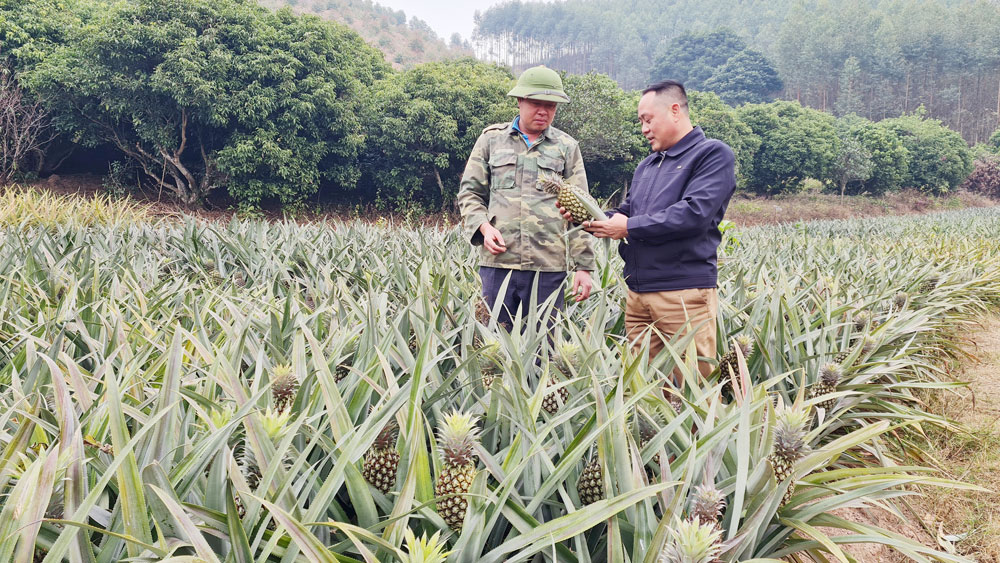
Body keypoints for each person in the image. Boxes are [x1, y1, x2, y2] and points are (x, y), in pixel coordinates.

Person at [568, 79, 736, 383]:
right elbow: (627, 212)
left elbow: (694, 213)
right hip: (638, 292)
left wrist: (627, 226)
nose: (644, 129)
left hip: (682, 293)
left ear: (675, 110)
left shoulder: (711, 154)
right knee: (644, 387)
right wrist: (588, 218)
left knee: (692, 386)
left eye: (648, 120)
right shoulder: (647, 165)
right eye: (640, 122)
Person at [457, 65, 595, 330]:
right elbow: (470, 193)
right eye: (536, 103)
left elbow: (581, 211)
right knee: (494, 342)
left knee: (545, 345)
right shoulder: (491, 140)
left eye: (550, 105)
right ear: (520, 101)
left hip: (548, 266)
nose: (543, 111)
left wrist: (584, 267)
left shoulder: (567, 147)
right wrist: (484, 228)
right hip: (499, 263)